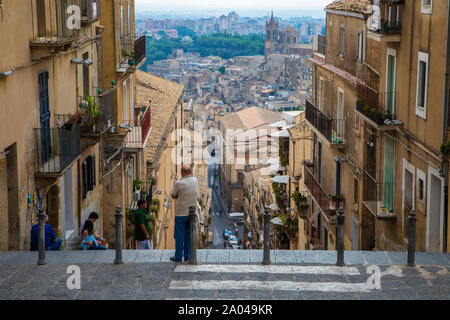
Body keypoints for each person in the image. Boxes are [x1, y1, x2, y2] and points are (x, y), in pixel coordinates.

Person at [170, 165, 199, 262]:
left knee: (179, 236)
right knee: (188, 235)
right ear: (190, 172)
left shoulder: (179, 183)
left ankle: (178, 257)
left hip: (181, 213)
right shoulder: (195, 180)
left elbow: (173, 195)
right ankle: (187, 255)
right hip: (192, 212)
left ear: (182, 172)